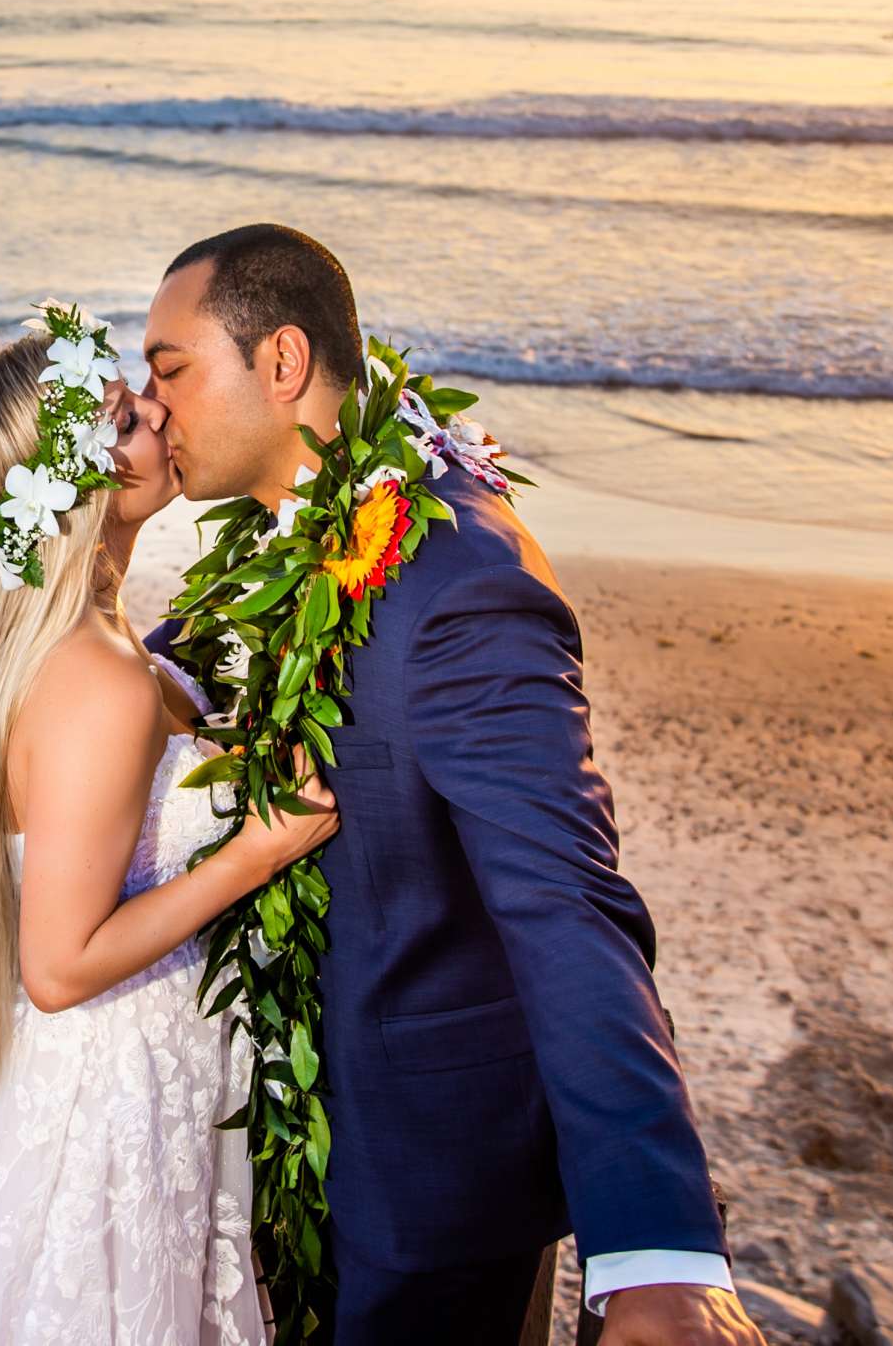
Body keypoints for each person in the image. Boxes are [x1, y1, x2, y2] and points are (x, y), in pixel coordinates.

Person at [140, 226, 765, 1346]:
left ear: (280, 366)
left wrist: (658, 1253)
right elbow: (182, 657)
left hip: (422, 1179)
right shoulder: (290, 529)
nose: (150, 407)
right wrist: (21, 745)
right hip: (293, 1135)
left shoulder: (461, 581)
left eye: (171, 370)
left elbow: (567, 902)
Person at [0, 309, 338, 1345]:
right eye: (125, 413)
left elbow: (52, 776)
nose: (158, 410)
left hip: (95, 1069)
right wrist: (259, 849)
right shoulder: (95, 675)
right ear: (77, 485)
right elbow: (59, 968)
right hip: (101, 1087)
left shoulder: (63, 636)